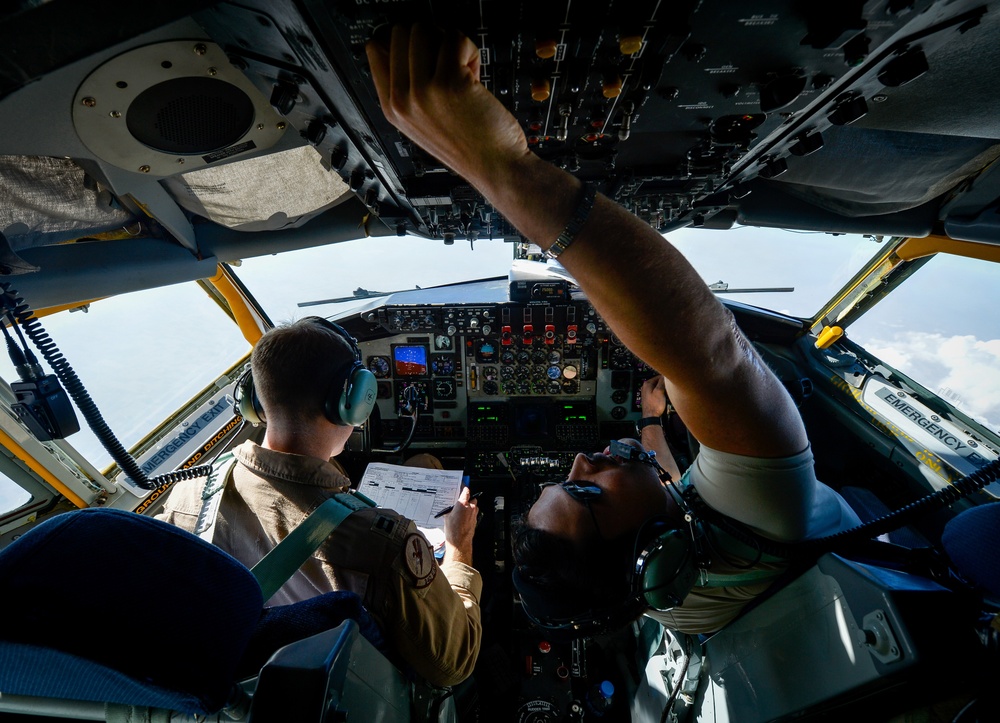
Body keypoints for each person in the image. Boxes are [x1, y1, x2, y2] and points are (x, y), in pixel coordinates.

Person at [364, 25, 861, 637]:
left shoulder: (662, 587)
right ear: (653, 554)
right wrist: (504, 168)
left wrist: (652, 421)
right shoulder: (766, 515)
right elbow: (709, 352)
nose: (578, 459)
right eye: (588, 494)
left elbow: (672, 493)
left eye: (565, 481)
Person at [156, 317, 482, 687]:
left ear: (255, 401)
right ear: (354, 402)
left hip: (248, 683)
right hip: (348, 687)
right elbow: (455, 663)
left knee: (421, 466)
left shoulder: (187, 496)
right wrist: (459, 548)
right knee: (429, 468)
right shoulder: (382, 541)